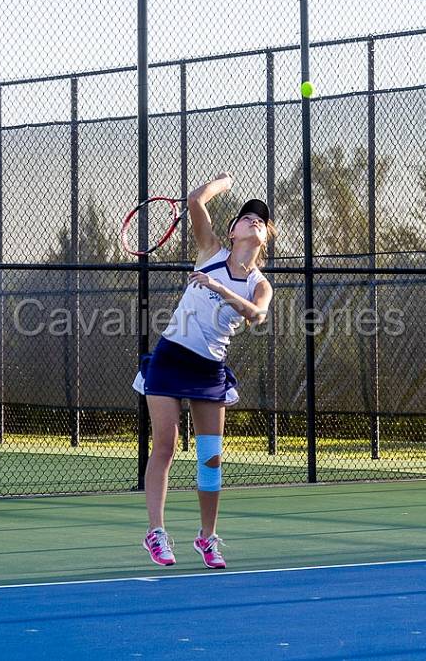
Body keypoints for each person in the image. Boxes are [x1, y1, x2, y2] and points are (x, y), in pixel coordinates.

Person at [132, 172, 276, 569]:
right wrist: (225, 183)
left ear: (265, 239)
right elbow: (196, 200)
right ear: (231, 231)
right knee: (165, 444)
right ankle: (156, 532)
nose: (254, 221)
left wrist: (221, 291)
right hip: (170, 357)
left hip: (209, 370)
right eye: (247, 218)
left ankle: (207, 538)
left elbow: (257, 316)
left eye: (260, 221)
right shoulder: (209, 250)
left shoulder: (259, 284)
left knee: (210, 457)